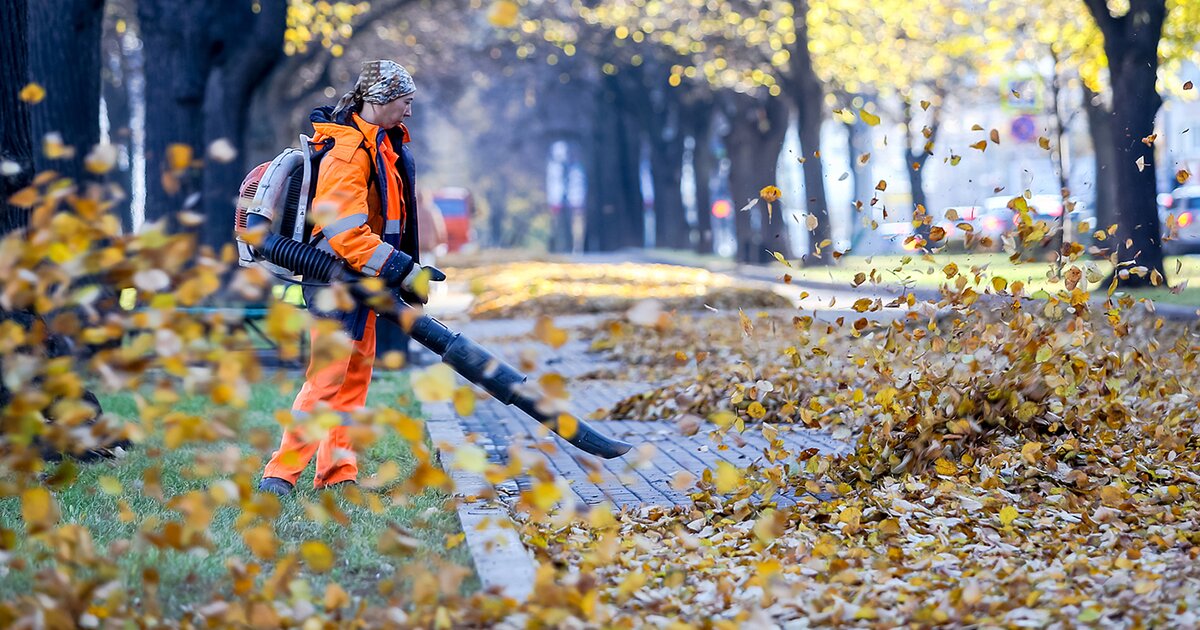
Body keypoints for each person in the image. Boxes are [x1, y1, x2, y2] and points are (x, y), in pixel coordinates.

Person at [258, 60, 439, 496]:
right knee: (326, 381)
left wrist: (397, 271)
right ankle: (279, 476)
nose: (409, 112)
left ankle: (337, 474)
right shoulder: (348, 153)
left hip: (363, 281)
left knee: (353, 381)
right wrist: (402, 268)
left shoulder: (382, 145)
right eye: (405, 102)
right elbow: (345, 234)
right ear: (380, 100)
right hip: (334, 281)